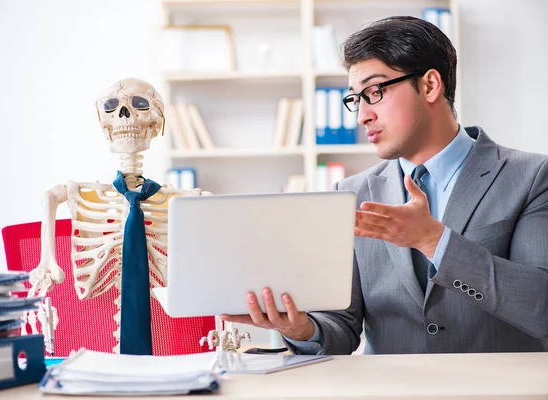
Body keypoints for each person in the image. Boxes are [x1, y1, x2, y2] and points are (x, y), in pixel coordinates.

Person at [221, 16, 548, 354]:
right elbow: (342, 328)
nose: (362, 115)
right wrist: (302, 329)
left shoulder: (532, 176)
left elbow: (541, 308)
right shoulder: (352, 195)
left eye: (374, 92)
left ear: (430, 85)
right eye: (355, 99)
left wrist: (435, 241)